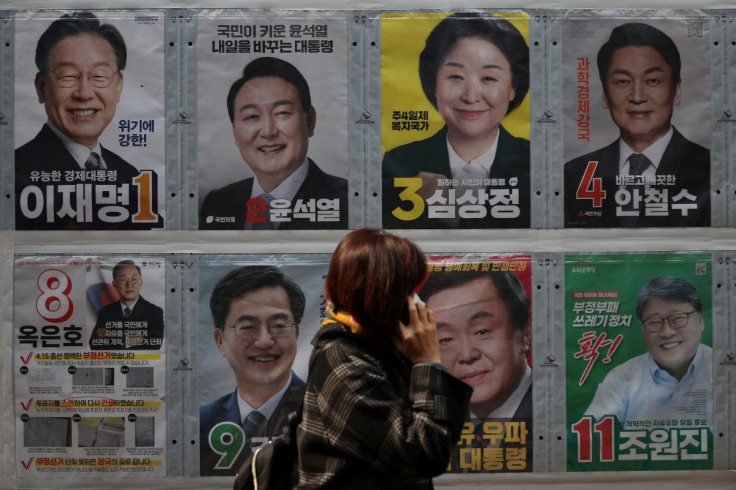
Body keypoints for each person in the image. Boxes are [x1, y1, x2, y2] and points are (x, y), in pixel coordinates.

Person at [297, 228, 472, 488]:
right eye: (408, 291)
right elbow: (424, 456)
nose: (417, 303)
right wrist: (427, 362)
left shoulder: (379, 350)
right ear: (382, 296)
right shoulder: (344, 361)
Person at [382, 13, 530, 229]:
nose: (471, 96)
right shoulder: (400, 164)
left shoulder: (537, 164)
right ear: (434, 84)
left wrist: (453, 214)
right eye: (455, 77)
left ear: (513, 88)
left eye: (489, 78)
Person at [564, 23, 710, 228]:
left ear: (676, 91)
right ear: (605, 95)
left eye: (652, 80)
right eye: (622, 82)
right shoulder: (575, 174)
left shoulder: (710, 169)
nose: (637, 97)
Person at [15, 12, 147, 230]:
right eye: (68, 75)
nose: (84, 93)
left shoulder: (131, 176)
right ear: (41, 87)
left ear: (119, 86)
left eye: (99, 76)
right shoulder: (13, 173)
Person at [200, 57, 348, 230]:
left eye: (282, 113)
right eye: (252, 116)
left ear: (309, 121)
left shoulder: (350, 202)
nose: (268, 132)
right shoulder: (218, 203)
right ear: (235, 132)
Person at [420, 269, 532, 471]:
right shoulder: (436, 422)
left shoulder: (562, 413)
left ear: (524, 335)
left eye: (482, 331)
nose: (466, 355)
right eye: (445, 339)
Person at [199, 265, 306, 476]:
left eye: (279, 325)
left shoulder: (325, 416)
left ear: (296, 334)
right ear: (220, 341)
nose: (265, 341)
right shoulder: (201, 423)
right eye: (247, 327)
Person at [585, 276, 712, 427]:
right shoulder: (620, 379)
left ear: (701, 320)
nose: (667, 332)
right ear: (642, 329)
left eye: (678, 318)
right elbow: (591, 439)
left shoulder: (725, 371)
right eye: (654, 322)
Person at [89, 260, 164, 350]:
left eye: (134, 279)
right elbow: (94, 344)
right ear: (114, 284)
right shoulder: (105, 312)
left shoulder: (154, 312)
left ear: (141, 283)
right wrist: (135, 340)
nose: (129, 285)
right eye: (123, 280)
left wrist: (111, 337)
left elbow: (155, 345)